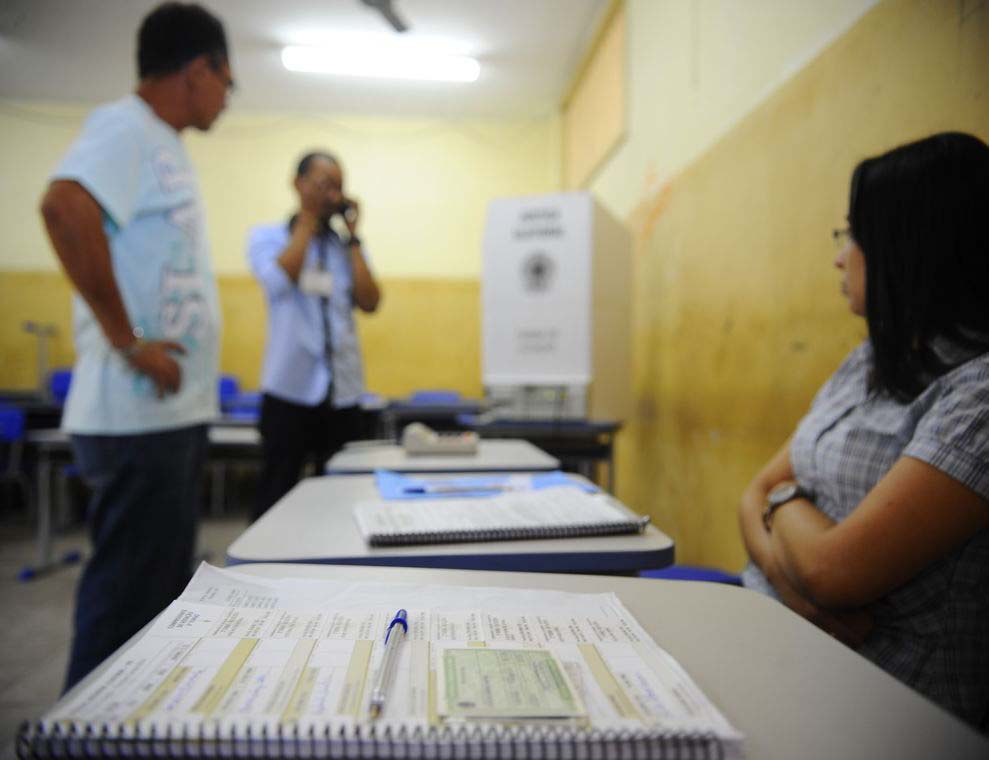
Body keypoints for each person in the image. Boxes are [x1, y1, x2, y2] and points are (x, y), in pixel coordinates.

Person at [738, 132, 989, 729]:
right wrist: (794, 589)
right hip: (781, 634)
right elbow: (753, 494)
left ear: (911, 246)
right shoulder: (872, 360)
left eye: (853, 235)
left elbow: (833, 571)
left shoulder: (978, 395)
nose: (839, 255)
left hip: (883, 708)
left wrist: (786, 502)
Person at [39, 2, 233, 691]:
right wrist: (130, 341)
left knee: (156, 609)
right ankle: (85, 732)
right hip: (134, 415)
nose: (226, 98)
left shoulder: (162, 143)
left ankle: (133, 726)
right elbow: (64, 206)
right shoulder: (125, 126)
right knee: (124, 606)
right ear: (197, 69)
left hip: (165, 417)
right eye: (226, 81)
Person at [248, 152, 381, 520]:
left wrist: (353, 237)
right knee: (275, 494)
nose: (332, 195)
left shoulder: (344, 248)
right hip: (289, 389)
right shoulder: (268, 237)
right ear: (298, 184)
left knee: (341, 497)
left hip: (343, 392)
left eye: (338, 186)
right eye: (323, 184)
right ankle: (264, 572)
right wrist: (306, 220)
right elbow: (277, 281)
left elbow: (370, 301)